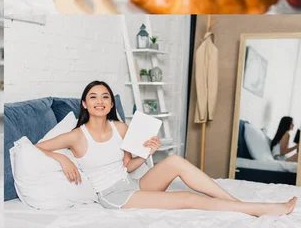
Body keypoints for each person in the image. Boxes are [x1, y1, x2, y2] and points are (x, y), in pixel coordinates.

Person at [35, 81, 296, 216]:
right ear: (84, 104)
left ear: (111, 104)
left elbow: (126, 166)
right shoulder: (76, 136)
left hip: (130, 183)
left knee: (176, 161)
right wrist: (62, 158)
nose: (100, 101)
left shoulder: (120, 128)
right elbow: (35, 148)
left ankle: (237, 204)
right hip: (112, 196)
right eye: (93, 97)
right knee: (187, 199)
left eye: (105, 97)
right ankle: (261, 209)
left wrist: (146, 153)